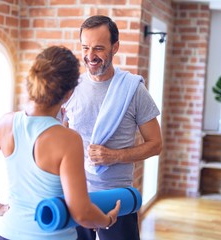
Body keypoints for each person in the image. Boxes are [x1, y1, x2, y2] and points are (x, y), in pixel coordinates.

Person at [0, 46, 121, 240]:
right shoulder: (68, 139)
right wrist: (107, 220)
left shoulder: (6, 124)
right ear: (69, 93)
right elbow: (82, 213)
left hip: (7, 233)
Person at [62, 15, 163, 240]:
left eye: (98, 48)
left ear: (115, 47)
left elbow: (156, 144)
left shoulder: (133, 90)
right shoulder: (71, 90)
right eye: (85, 47)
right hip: (77, 194)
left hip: (118, 197)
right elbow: (61, 137)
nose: (90, 56)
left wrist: (114, 156)